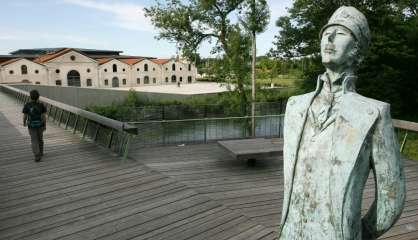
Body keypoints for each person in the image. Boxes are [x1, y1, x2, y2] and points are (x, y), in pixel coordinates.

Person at [279, 6, 405, 240]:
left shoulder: (373, 113)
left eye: (342, 32)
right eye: (327, 32)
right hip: (289, 233)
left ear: (356, 50)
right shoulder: (295, 106)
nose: (330, 36)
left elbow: (392, 196)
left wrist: (355, 232)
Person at [23, 90, 47, 162]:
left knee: (34, 140)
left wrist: (24, 122)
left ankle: (37, 154)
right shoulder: (41, 105)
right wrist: (44, 125)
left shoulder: (27, 105)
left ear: (30, 97)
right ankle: (41, 152)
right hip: (40, 125)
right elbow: (43, 116)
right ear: (38, 97)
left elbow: (25, 116)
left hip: (31, 125)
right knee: (40, 139)